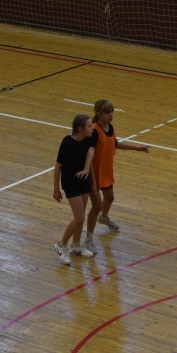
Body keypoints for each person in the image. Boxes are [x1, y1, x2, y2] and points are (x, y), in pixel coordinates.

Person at [84, 98, 150, 250]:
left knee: (110, 198)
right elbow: (89, 154)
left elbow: (115, 144)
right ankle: (88, 240)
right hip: (93, 173)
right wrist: (91, 178)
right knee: (96, 206)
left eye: (112, 112)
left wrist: (137, 148)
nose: (111, 115)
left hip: (106, 170)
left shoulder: (110, 128)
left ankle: (104, 218)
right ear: (99, 114)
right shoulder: (94, 131)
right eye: (107, 112)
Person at [54, 113, 97, 266]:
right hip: (70, 182)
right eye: (89, 126)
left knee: (81, 215)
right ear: (80, 129)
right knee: (79, 217)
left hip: (83, 181)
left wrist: (93, 182)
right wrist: (56, 188)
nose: (92, 128)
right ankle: (61, 245)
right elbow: (58, 166)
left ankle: (76, 246)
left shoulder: (87, 139)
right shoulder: (67, 143)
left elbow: (90, 162)